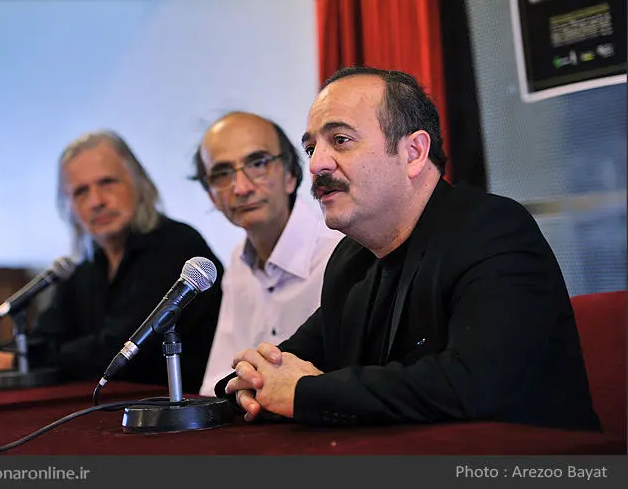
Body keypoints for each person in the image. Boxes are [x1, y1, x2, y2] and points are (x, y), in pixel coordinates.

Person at [217, 66, 601, 431]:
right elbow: (282, 365)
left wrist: (306, 392)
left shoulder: (492, 230)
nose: (317, 164)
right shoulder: (351, 260)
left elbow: (473, 383)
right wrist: (250, 383)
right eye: (311, 148)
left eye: (340, 140)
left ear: (414, 153)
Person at [0, 130, 224, 393]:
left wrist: (1, 361)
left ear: (140, 185)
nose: (96, 201)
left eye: (107, 183)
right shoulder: (86, 266)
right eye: (81, 192)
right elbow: (48, 336)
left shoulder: (176, 245)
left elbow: (116, 350)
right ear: (67, 206)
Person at [191, 112, 343, 396]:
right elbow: (218, 380)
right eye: (222, 174)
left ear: (291, 175)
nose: (241, 188)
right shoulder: (238, 261)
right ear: (211, 195)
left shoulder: (339, 251)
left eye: (258, 163)